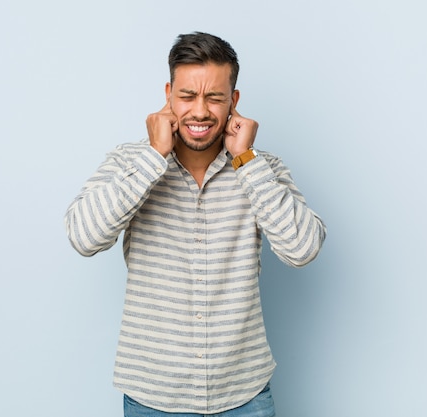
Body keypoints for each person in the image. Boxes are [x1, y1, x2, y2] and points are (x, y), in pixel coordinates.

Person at [65, 31, 326, 417]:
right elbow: (84, 237)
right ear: (169, 94)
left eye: (215, 97)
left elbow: (303, 249)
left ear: (234, 101)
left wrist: (247, 162)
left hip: (245, 396)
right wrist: (154, 156)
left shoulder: (261, 168)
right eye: (187, 96)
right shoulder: (129, 162)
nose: (200, 111)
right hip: (153, 398)